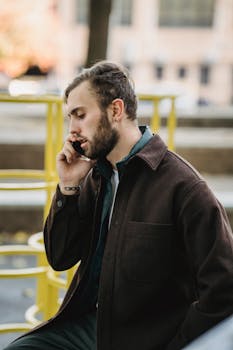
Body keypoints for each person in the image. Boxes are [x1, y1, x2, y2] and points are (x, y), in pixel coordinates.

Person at [4, 61, 233, 350]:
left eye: (80, 115)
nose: (72, 130)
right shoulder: (97, 176)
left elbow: (224, 290)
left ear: (116, 110)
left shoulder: (184, 187)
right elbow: (60, 257)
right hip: (93, 327)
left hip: (148, 339)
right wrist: (69, 187)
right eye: (70, 118)